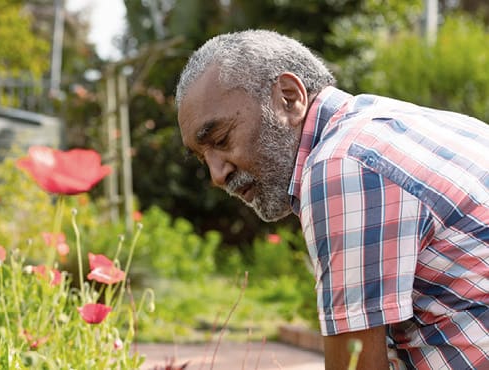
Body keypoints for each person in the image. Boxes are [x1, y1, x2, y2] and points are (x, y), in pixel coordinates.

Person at [175, 29, 488, 370]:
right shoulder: (402, 122)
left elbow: (354, 366)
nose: (217, 175)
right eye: (202, 157)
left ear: (289, 96)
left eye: (221, 139)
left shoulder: (342, 165)